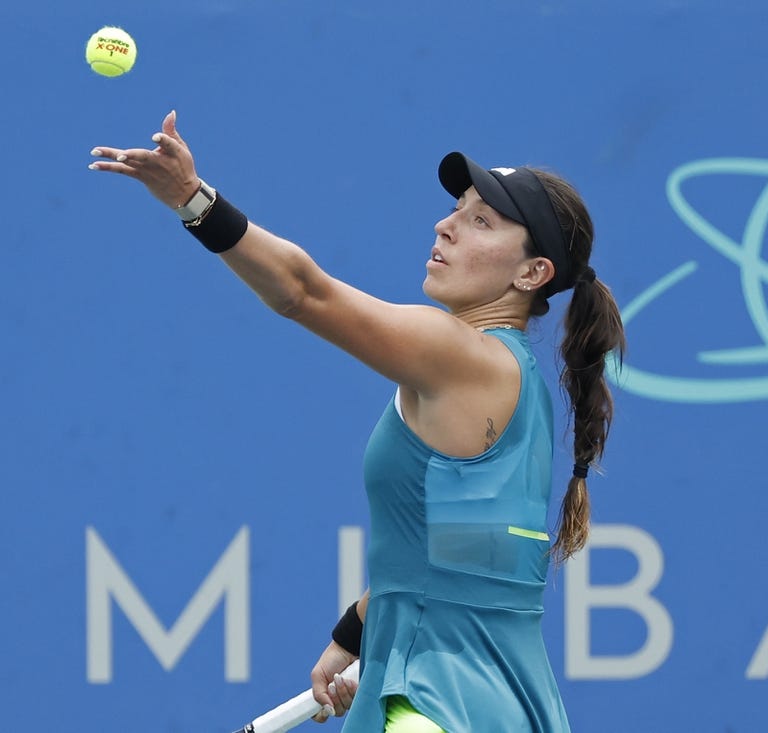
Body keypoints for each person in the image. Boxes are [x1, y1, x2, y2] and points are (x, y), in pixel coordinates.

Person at [89, 111, 626, 732]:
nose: (445, 226)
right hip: (500, 706)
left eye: (481, 221)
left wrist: (193, 200)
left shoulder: (456, 352)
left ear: (532, 274)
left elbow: (301, 291)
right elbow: (461, 549)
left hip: (430, 708)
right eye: (457, 207)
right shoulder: (515, 382)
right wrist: (358, 632)